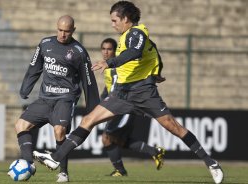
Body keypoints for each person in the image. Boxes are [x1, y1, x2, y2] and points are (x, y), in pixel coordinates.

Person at [33, 1, 224, 184]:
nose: (112, 24)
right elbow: (154, 51)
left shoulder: (136, 33)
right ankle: (56, 158)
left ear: (125, 18)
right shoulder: (128, 36)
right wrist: (157, 71)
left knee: (173, 127)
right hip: (122, 93)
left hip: (143, 92)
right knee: (87, 120)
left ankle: (211, 163)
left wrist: (110, 62)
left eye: (114, 20)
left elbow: (135, 53)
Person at [12, 15, 99, 182]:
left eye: (67, 31)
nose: (63, 34)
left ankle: (63, 172)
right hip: (45, 98)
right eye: (60, 30)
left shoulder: (79, 52)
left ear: (73, 30)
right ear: (56, 28)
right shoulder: (45, 44)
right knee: (20, 125)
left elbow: (88, 80)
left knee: (59, 131)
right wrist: (25, 88)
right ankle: (29, 163)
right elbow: (34, 67)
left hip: (65, 98)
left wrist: (93, 107)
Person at [100, 38, 165, 176]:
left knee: (107, 138)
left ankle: (120, 171)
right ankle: (154, 152)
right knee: (120, 141)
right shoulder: (108, 69)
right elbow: (109, 89)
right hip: (117, 106)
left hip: (123, 107)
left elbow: (121, 87)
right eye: (103, 49)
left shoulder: (120, 66)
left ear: (115, 51)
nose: (106, 52)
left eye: (109, 49)